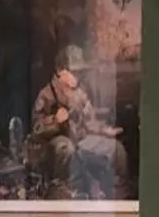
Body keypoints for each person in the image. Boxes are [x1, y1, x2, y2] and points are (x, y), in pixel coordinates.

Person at [26, 45, 125, 199]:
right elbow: (36, 129)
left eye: (80, 71)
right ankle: (63, 190)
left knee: (115, 148)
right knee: (66, 148)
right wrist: (54, 120)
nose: (77, 75)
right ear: (60, 71)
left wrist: (103, 130)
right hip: (57, 141)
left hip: (80, 138)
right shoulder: (46, 94)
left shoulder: (79, 94)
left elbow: (89, 120)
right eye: (73, 71)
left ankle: (116, 193)